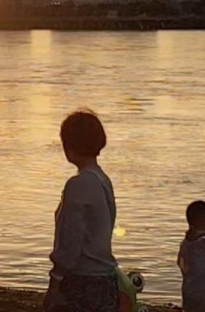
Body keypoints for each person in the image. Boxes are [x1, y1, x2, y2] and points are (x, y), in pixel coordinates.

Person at [44, 110, 118, 312]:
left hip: (83, 279)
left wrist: (56, 279)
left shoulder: (79, 184)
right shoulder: (102, 179)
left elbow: (72, 238)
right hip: (105, 278)